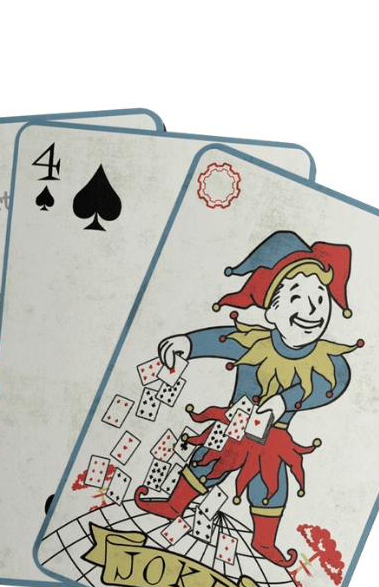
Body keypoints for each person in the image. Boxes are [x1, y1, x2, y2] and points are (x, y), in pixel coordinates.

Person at [133, 231, 362, 567]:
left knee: (270, 485)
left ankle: (264, 541)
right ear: (272, 312)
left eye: (320, 297)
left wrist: (283, 403)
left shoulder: (327, 359)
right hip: (233, 428)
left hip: (273, 438)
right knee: (206, 460)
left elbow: (335, 383)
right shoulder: (254, 342)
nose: (312, 308)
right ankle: (174, 505)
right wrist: (188, 343)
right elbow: (222, 339)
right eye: (297, 297)